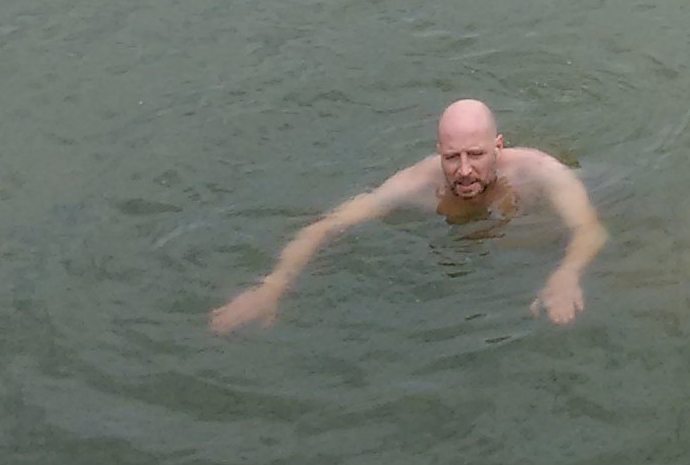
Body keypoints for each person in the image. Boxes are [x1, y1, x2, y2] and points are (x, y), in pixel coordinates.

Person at [207, 100, 605, 330]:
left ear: (498, 146)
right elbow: (327, 226)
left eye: (476, 155)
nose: (464, 170)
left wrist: (567, 274)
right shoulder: (415, 183)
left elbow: (589, 229)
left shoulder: (539, 170)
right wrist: (273, 284)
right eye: (452, 157)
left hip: (534, 237)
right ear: (438, 151)